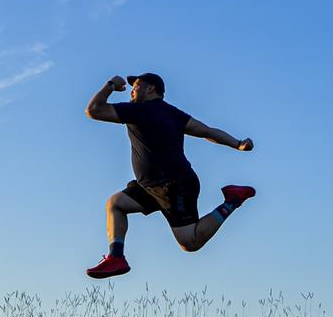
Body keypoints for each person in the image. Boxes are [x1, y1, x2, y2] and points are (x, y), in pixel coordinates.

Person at [84, 72, 256, 278]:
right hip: (149, 186)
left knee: (190, 242)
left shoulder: (138, 110)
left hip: (175, 185)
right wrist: (237, 143)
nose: (131, 91)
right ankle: (116, 257)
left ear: (150, 89)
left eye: (136, 86)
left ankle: (232, 200)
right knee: (116, 203)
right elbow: (208, 131)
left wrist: (111, 85)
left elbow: (94, 110)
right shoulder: (173, 114)